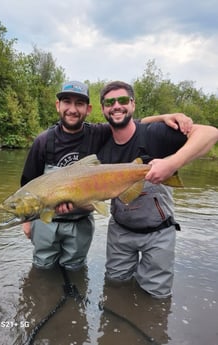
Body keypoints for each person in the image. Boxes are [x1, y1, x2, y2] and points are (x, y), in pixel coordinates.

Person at [21, 80, 194, 272]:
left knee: (75, 270)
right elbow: (28, 183)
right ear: (57, 106)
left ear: (89, 109)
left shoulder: (98, 133)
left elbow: (130, 122)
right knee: (41, 269)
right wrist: (27, 222)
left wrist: (165, 117)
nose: (72, 109)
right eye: (66, 102)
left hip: (80, 221)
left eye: (79, 104)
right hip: (46, 220)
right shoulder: (43, 140)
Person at [95, 81, 218, 298]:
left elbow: (210, 133)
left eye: (123, 100)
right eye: (109, 102)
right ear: (103, 108)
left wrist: (172, 163)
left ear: (132, 104)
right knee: (114, 287)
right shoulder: (100, 140)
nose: (116, 106)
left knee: (156, 297)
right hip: (119, 230)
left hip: (159, 232)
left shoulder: (153, 133)